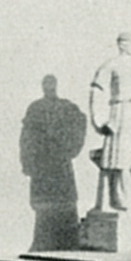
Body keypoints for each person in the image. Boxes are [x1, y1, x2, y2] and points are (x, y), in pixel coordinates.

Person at [89, 32, 131, 212]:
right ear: (121, 45)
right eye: (127, 42)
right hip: (120, 111)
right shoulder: (111, 65)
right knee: (121, 159)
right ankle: (122, 198)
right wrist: (100, 121)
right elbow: (97, 92)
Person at [21, 74, 87, 247]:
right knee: (44, 207)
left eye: (51, 84)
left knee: (65, 204)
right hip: (42, 166)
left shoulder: (67, 107)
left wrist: (71, 148)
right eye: (46, 84)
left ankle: (68, 242)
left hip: (60, 164)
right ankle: (44, 242)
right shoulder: (35, 108)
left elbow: (81, 122)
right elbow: (26, 138)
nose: (49, 87)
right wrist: (27, 163)